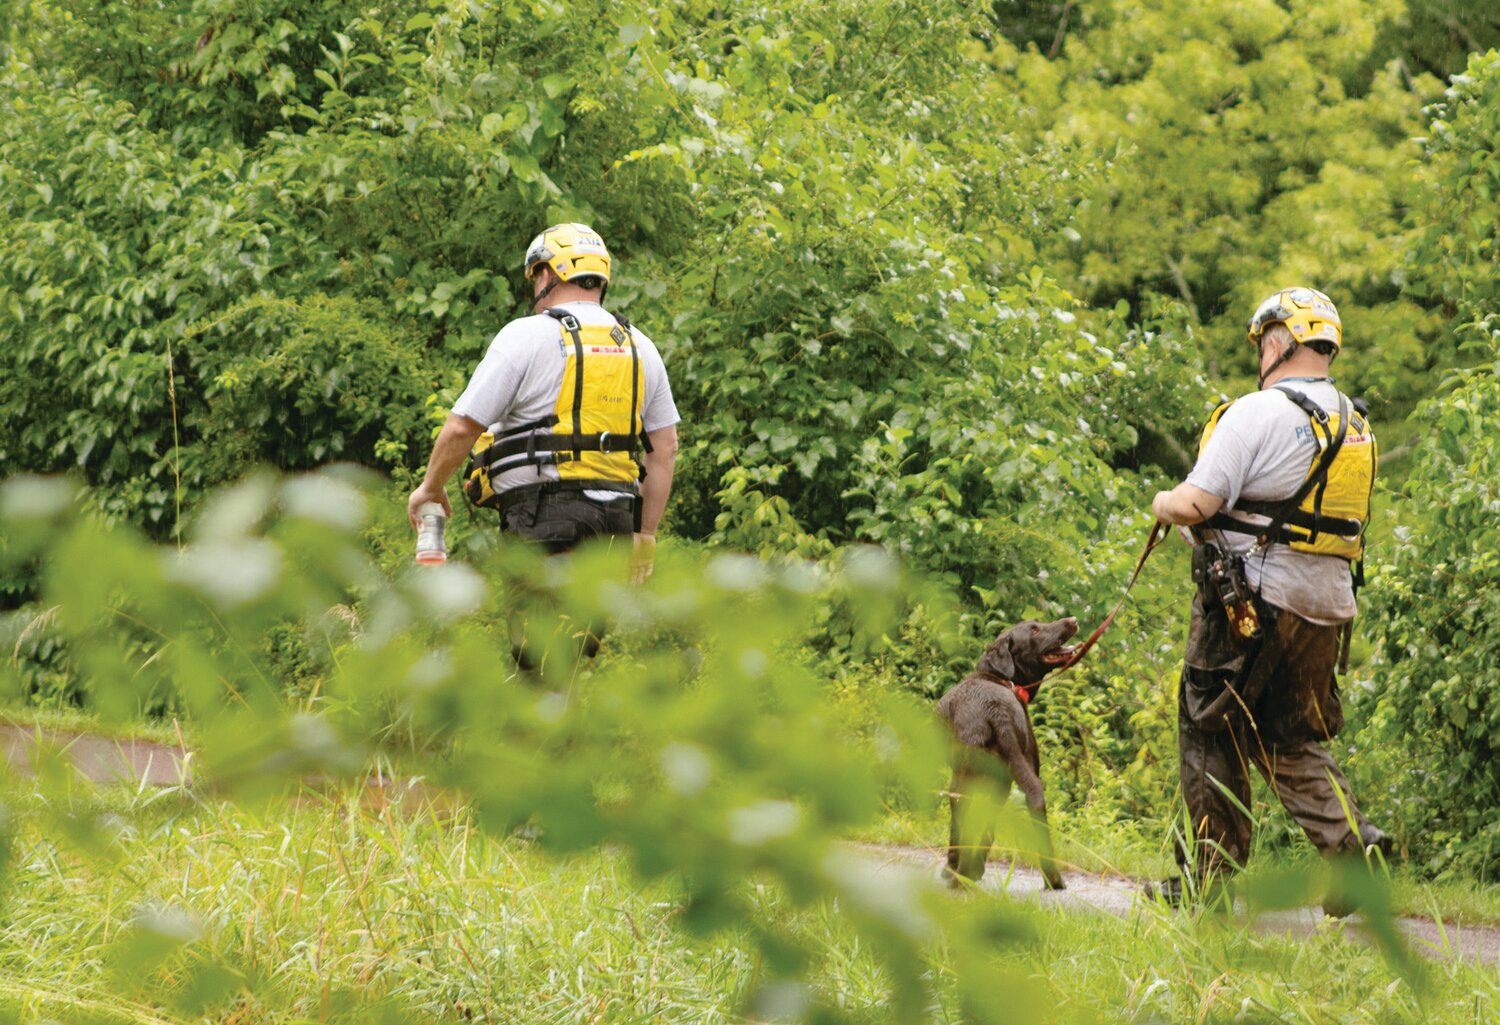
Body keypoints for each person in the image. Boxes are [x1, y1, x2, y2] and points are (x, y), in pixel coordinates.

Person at [1147, 286, 1390, 910]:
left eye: (1262, 343)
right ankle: (1352, 849)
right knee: (1287, 738)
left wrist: (1161, 503)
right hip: (1326, 613)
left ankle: (1208, 882)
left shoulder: (1258, 412)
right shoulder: (1353, 425)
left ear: (1279, 341)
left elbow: (1197, 503)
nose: (1261, 355)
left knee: (1208, 730)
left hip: (1248, 608)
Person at [407, 223, 679, 666]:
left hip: (544, 517)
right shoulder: (640, 346)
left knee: (538, 660)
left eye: (537, 274)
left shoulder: (527, 335)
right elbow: (664, 448)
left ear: (551, 273)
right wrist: (644, 534)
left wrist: (431, 487)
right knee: (571, 658)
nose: (535, 285)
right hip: (613, 523)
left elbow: (462, 428)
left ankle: (541, 732)